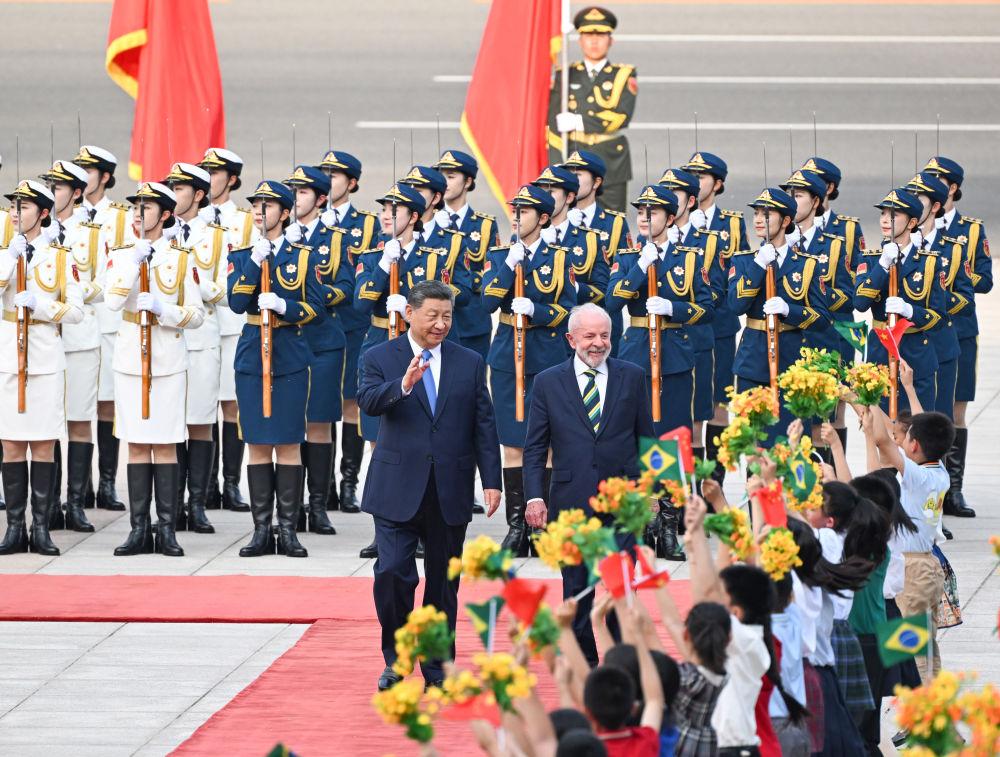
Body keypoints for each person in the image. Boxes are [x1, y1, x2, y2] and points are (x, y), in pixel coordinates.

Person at [357, 280, 502, 691]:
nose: (440, 324)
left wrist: (492, 481)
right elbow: (368, 401)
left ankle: (438, 668)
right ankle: (399, 660)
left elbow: (483, 423)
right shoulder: (379, 356)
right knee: (392, 573)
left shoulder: (469, 361)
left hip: (449, 487)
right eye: (432, 316)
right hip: (396, 486)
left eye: (447, 316)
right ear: (409, 314)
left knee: (443, 581)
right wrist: (404, 385)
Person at [522, 303, 654, 663]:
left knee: (620, 586)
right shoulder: (548, 382)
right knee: (577, 589)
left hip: (623, 503)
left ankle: (620, 661)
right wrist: (534, 497)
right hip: (571, 502)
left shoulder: (632, 375)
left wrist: (652, 491)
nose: (598, 343)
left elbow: (647, 439)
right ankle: (585, 663)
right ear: (571, 339)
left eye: (605, 336)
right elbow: (535, 448)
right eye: (589, 336)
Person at [104, 182, 205, 557]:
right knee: (136, 443)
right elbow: (113, 302)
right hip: (131, 358)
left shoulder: (182, 258)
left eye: (145, 208)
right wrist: (134, 263)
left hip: (167, 359)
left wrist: (165, 310)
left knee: (164, 444)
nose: (137, 214)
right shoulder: (121, 254)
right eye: (135, 208)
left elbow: (196, 315)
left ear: (165, 215)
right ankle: (138, 529)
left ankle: (166, 530)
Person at [227, 180, 324, 558]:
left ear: (285, 213)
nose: (258, 211)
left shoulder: (303, 257)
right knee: (256, 443)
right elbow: (237, 303)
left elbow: (315, 308)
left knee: (288, 442)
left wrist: (285, 307)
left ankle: (288, 530)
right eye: (255, 205)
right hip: (253, 354)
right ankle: (260, 530)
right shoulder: (242, 255)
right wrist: (255, 262)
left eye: (267, 206)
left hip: (289, 355)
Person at [481, 185, 577, 557]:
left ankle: (544, 526)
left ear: (543, 217)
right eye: (515, 210)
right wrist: (509, 266)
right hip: (508, 357)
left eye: (525, 211)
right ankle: (517, 525)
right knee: (512, 444)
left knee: (546, 444)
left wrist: (538, 311)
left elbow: (568, 310)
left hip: (546, 358)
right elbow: (487, 301)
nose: (517, 217)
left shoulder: (560, 259)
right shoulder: (499, 256)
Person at [0, 180, 83, 555]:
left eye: (24, 207)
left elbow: (76, 310)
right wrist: (8, 259)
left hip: (45, 356)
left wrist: (42, 306)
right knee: (12, 443)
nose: (15, 213)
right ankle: (15, 528)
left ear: (44, 213)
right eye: (13, 206)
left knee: (44, 443)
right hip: (8, 357)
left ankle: (42, 527)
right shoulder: (5, 252)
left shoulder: (61, 257)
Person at [606, 184, 713, 440]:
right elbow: (612, 302)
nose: (644, 218)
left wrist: (673, 309)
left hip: (675, 354)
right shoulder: (628, 258)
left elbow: (707, 309)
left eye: (652, 213)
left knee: (673, 432)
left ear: (670, 219)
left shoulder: (688, 258)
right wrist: (641, 266)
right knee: (633, 431)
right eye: (640, 212)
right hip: (636, 352)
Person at [729, 187, 831, 445]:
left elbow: (822, 319)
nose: (758, 220)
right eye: (756, 214)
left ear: (785, 221)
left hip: (792, 364)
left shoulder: (806, 264)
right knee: (752, 441)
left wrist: (789, 311)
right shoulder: (744, 261)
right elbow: (736, 305)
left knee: (792, 440)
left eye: (766, 215)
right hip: (753, 361)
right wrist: (758, 265)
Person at [861, 406, 954, 683]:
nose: (899, 439)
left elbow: (883, 441)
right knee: (925, 645)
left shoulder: (918, 477)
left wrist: (866, 398)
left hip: (912, 569)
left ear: (914, 445)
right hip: (927, 565)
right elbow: (891, 435)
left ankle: (918, 705)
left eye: (905, 436)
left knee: (910, 649)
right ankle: (931, 700)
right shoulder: (938, 472)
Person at [284, 164, 351, 536]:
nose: (295, 198)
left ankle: (319, 505)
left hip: (323, 339)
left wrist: (312, 295)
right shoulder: (279, 236)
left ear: (321, 198)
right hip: (288, 339)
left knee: (319, 423)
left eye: (303, 192)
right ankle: (291, 507)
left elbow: (346, 286)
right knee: (291, 423)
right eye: (293, 191)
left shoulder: (335, 239)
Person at [163, 162, 229, 535]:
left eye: (180, 188)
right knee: (171, 422)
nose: (173, 195)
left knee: (200, 422)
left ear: (199, 194)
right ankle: (171, 505)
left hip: (202, 339)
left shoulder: (216, 237)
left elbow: (224, 291)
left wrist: (193, 281)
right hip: (167, 336)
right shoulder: (160, 233)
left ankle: (198, 504)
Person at [922, 156, 989, 519]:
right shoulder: (914, 226)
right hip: (923, 332)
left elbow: (985, 279)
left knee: (955, 411)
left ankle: (954, 489)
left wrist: (948, 279)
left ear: (951, 188)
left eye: (936, 179)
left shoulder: (970, 231)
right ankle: (929, 488)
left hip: (959, 330)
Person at [680, 151, 748, 485]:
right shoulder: (675, 218)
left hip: (718, 326)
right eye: (691, 175)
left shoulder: (731, 224)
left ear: (718, 184)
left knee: (719, 404)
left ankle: (714, 484)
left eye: (702, 176)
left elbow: (738, 271)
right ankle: (687, 487)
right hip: (681, 327)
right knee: (686, 410)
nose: (695, 182)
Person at [313, 149, 375, 516]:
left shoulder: (365, 225)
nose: (327, 181)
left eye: (334, 175)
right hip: (317, 326)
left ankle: (349, 481)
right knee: (320, 406)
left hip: (351, 325)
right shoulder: (307, 222)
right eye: (324, 174)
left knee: (352, 402)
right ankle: (322, 487)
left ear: (351, 183)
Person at [73, 145, 131, 513]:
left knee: (108, 404)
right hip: (78, 323)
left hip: (109, 324)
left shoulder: (121, 218)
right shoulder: (67, 215)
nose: (82, 178)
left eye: (89, 171)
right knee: (78, 406)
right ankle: (79, 486)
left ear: (105, 176)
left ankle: (107, 483)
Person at [779, 169, 851, 460]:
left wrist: (812, 295)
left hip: (821, 343)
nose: (791, 201)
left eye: (798, 196)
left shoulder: (832, 245)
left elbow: (848, 295)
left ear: (817, 202)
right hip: (787, 344)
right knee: (788, 424)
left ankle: (827, 480)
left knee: (822, 425)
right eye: (789, 195)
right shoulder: (776, 243)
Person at [41, 159, 98, 532]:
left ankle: (75, 503)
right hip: (43, 338)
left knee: (78, 421)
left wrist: (73, 292)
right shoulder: (36, 232)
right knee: (47, 423)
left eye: (59, 187)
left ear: (77, 192)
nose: (52, 192)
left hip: (78, 337)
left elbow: (106, 281)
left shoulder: (91, 233)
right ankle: (47, 505)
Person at [853, 188, 946, 414]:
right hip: (880, 356)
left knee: (919, 428)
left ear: (912, 222)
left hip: (916, 357)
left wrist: (910, 311)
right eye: (883, 214)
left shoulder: (929, 263)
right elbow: (860, 303)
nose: (885, 220)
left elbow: (939, 319)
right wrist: (883, 265)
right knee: (880, 428)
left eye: (894, 215)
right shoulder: (871, 259)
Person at [198, 147, 252, 514]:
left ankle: (230, 483)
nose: (208, 179)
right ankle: (203, 485)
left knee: (232, 405)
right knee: (203, 406)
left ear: (231, 179)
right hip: (200, 324)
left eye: (215, 173)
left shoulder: (245, 221)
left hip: (232, 324)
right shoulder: (192, 219)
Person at [547, 6, 637, 212]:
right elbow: (552, 125)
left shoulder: (623, 74)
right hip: (573, 157)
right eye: (588, 35)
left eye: (601, 35)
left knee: (612, 221)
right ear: (580, 41)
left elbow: (621, 116)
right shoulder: (565, 74)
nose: (594, 41)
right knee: (572, 222)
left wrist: (578, 121)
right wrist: (556, 163)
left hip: (610, 160)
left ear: (611, 40)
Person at [432, 149, 499, 361]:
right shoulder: (426, 222)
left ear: (468, 182)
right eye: (441, 176)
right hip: (434, 320)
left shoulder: (485, 225)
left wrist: (464, 283)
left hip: (472, 322)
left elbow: (492, 272)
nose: (444, 182)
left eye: (451, 176)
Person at [532, 165, 607, 310]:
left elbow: (603, 292)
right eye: (540, 192)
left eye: (550, 192)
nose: (543, 198)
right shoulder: (524, 237)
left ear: (569, 197)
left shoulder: (589, 240)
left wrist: (572, 286)